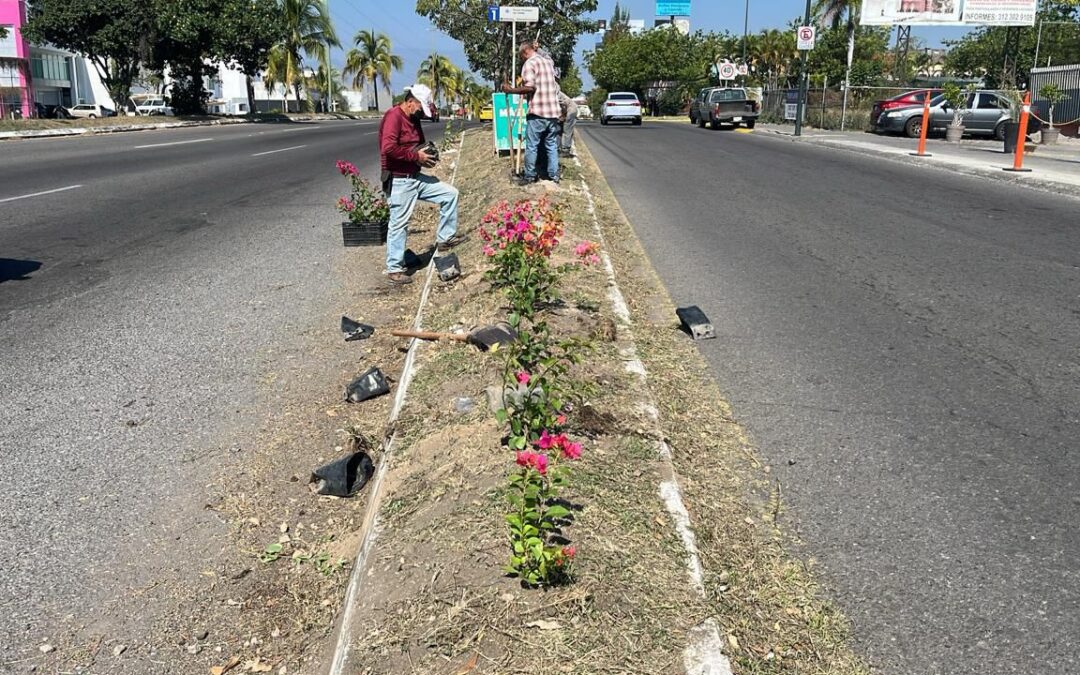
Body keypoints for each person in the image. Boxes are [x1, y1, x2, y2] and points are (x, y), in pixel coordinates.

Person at [378, 83, 466, 285]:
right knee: (399, 224)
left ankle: (445, 238)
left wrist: (426, 155)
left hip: (414, 176)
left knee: (449, 194)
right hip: (399, 180)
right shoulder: (394, 116)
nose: (421, 113)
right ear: (410, 102)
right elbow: (388, 148)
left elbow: (418, 145)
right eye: (420, 108)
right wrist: (416, 155)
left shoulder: (413, 119)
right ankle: (394, 268)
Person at [502, 41, 561, 185]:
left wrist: (511, 90)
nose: (522, 60)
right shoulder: (547, 62)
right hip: (553, 112)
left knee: (532, 145)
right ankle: (554, 176)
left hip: (538, 112)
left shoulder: (529, 64)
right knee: (551, 145)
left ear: (524, 53)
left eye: (522, 57)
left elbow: (530, 88)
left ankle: (529, 175)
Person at [557, 91, 578, 158]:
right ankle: (558, 148)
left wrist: (563, 116)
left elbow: (564, 105)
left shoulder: (556, 94)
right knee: (558, 130)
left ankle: (566, 150)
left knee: (567, 130)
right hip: (565, 110)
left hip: (570, 110)